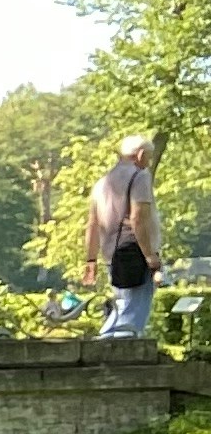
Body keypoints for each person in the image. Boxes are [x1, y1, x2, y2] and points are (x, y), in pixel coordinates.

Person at [85, 132, 165, 339]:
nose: (148, 162)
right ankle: (119, 351)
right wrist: (151, 257)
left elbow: (92, 224)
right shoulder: (140, 176)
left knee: (122, 305)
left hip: (112, 255)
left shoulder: (102, 183)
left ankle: (103, 344)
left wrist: (91, 259)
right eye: (149, 156)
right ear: (139, 155)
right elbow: (138, 219)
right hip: (135, 251)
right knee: (132, 317)